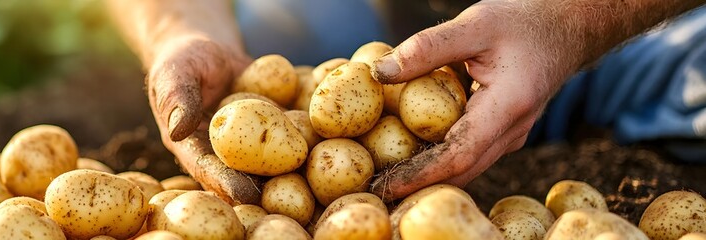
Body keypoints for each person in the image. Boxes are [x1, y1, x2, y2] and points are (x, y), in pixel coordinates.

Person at [107, 0, 706, 203]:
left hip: (610, 35)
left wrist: (568, 22)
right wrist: (178, 32)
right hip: (342, 38)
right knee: (267, 30)